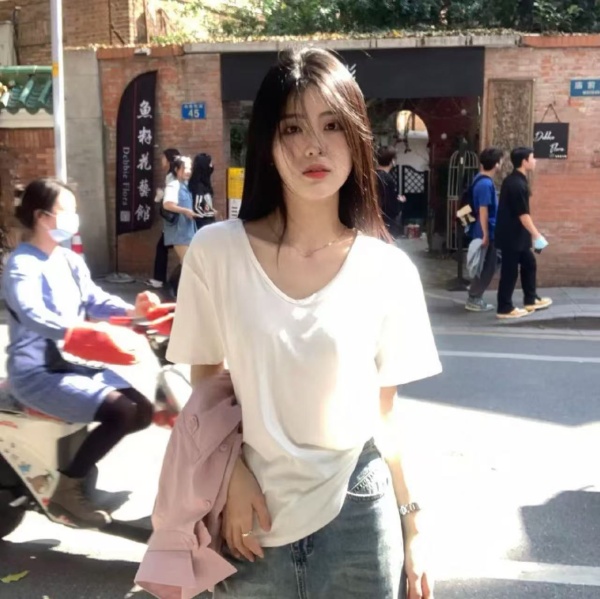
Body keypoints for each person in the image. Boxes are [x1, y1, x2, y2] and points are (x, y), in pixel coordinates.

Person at [167, 48, 441, 599]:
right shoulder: (217, 252)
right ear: (268, 145)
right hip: (249, 519)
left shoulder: (387, 270)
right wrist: (231, 475)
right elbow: (205, 381)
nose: (314, 146)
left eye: (333, 125)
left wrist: (413, 526)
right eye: (293, 127)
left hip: (359, 515)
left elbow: (385, 415)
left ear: (357, 139)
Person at [2, 179, 159, 527]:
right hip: (39, 374)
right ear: (42, 216)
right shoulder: (22, 265)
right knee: (122, 411)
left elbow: (94, 300)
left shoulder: (68, 260)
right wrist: (77, 333)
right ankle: (67, 489)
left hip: (74, 364)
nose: (74, 218)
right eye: (67, 211)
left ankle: (78, 469)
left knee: (143, 410)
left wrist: (135, 311)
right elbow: (30, 312)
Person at [495, 146, 552, 319]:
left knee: (529, 263)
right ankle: (504, 308)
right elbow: (523, 214)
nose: (535, 161)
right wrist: (537, 235)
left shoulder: (517, 180)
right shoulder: (516, 184)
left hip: (517, 236)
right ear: (524, 161)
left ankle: (531, 299)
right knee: (510, 272)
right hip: (511, 236)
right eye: (532, 158)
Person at [465, 147, 504, 312]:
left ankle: (475, 294)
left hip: (485, 229)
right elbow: (483, 210)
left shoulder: (480, 180)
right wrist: (486, 234)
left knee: (489, 263)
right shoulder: (485, 184)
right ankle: (474, 298)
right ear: (497, 164)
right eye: (501, 161)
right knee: (487, 266)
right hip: (486, 230)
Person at [146, 147, 179, 289]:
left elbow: (172, 196)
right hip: (175, 221)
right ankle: (160, 279)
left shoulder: (171, 176)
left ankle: (160, 280)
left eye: (163, 158)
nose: (162, 160)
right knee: (164, 248)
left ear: (169, 160)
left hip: (173, 221)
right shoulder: (174, 175)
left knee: (164, 248)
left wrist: (161, 195)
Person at [162, 155, 197, 263]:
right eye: (185, 168)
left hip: (187, 230)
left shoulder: (186, 185)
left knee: (188, 264)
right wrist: (185, 211)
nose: (188, 171)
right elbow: (167, 205)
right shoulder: (173, 185)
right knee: (188, 263)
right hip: (178, 232)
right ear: (176, 169)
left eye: (190, 168)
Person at [376, 146, 405, 237]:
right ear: (392, 161)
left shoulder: (372, 175)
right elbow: (391, 206)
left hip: (372, 219)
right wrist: (400, 201)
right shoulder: (387, 179)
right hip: (385, 221)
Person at [189, 152, 217, 230]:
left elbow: (204, 204)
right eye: (210, 163)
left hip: (207, 224)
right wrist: (211, 213)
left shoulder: (204, 183)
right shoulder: (199, 186)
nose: (212, 166)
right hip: (203, 225)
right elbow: (197, 207)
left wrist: (211, 209)